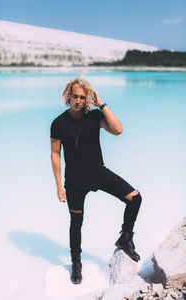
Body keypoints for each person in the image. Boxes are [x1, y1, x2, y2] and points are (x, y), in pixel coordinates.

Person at [50, 76, 142, 285]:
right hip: (74, 181)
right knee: (76, 222)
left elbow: (118, 130)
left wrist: (102, 104)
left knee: (135, 198)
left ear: (87, 99)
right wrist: (58, 185)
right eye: (75, 96)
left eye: (83, 97)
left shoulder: (95, 116)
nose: (78, 100)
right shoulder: (58, 123)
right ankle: (76, 263)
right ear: (68, 96)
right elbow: (55, 154)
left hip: (98, 174)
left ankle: (125, 237)